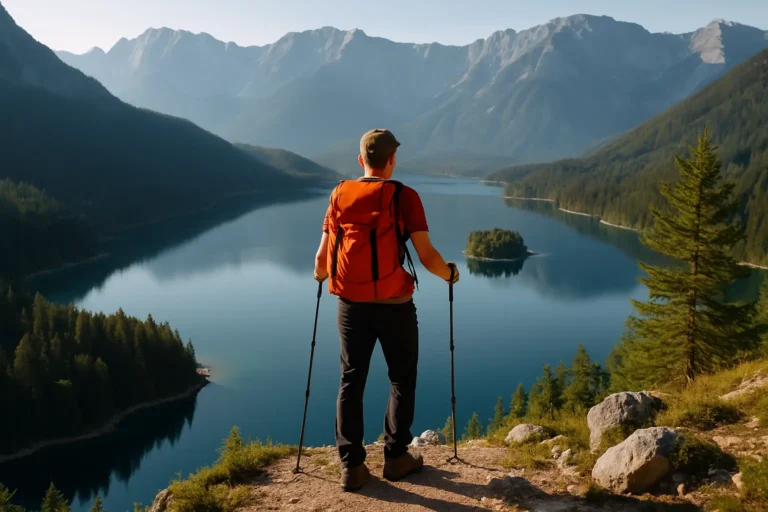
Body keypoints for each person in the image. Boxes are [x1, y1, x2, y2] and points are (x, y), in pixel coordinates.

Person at [313, 128, 459, 492]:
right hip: (395, 305)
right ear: (392, 160)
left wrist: (321, 275)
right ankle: (396, 458)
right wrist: (450, 275)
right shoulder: (404, 196)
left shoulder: (339, 194)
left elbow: (321, 263)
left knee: (351, 380)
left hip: (350, 307)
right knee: (401, 378)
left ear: (361, 160)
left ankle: (351, 467)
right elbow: (426, 256)